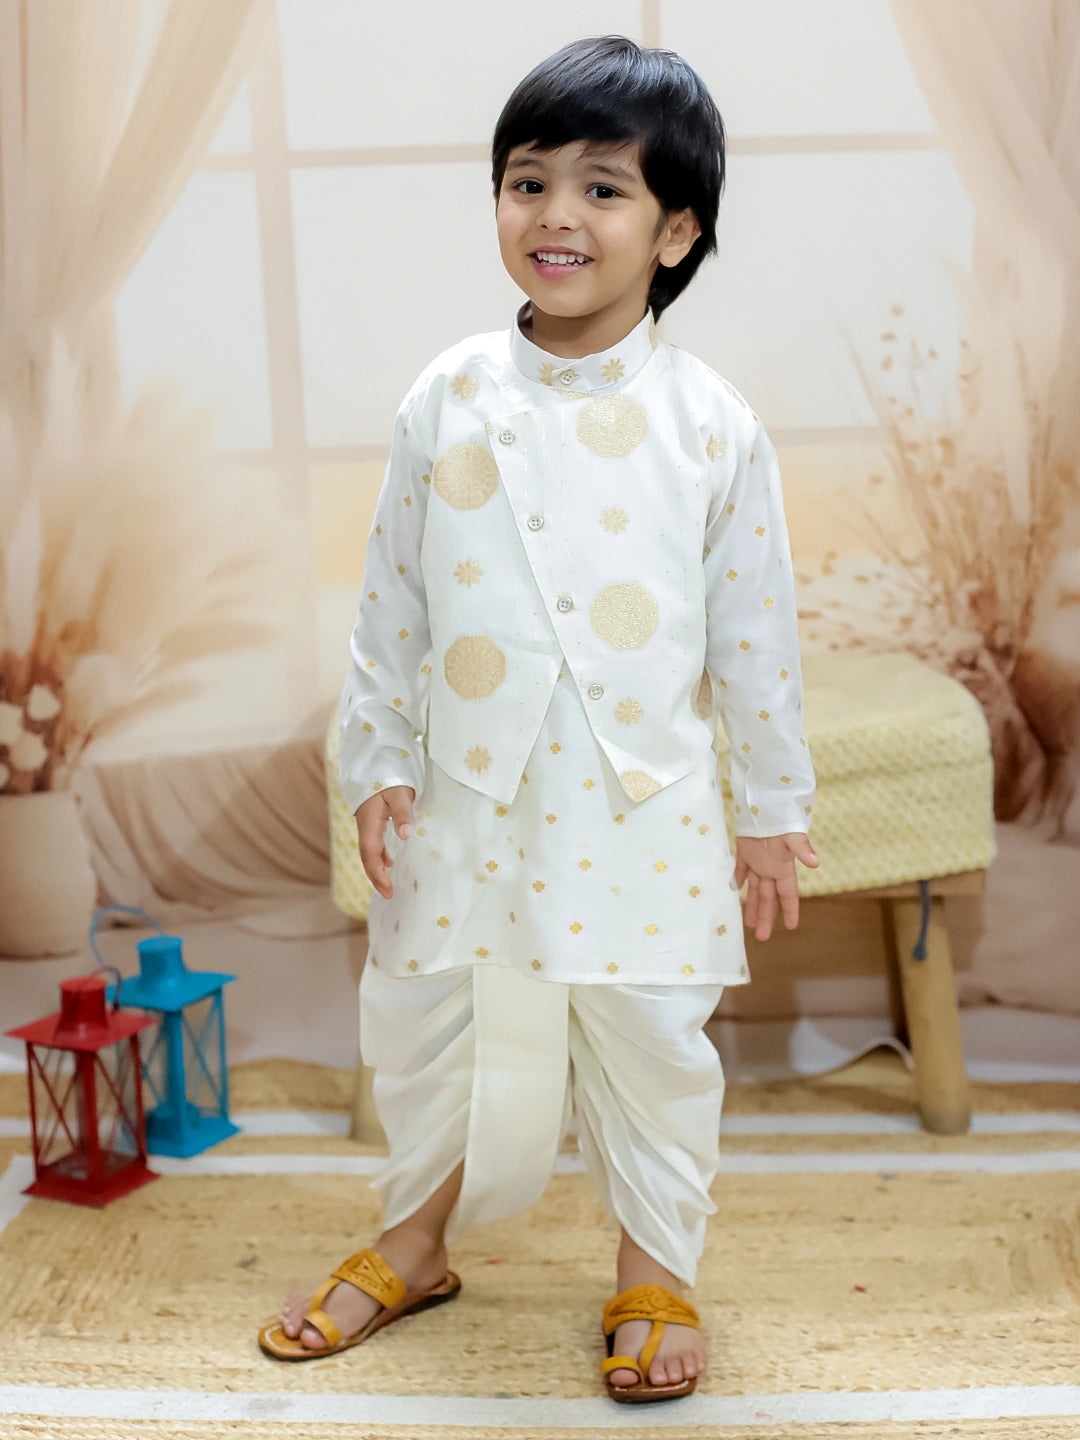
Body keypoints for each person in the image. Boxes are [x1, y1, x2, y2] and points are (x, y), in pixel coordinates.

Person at [258, 33, 818, 1403]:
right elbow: (391, 597)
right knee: (433, 1016)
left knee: (649, 1039)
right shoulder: (446, 397)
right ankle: (414, 1242)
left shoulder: (710, 423)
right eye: (528, 181)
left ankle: (654, 1267)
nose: (557, 215)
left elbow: (756, 634)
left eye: (603, 188)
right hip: (468, 791)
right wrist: (376, 760)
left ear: (676, 231)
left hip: (641, 801)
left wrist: (772, 809)